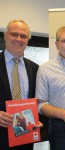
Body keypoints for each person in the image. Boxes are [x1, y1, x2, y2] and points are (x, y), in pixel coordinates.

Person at [0, 19, 42, 150]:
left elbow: (38, 100)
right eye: (14, 34)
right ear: (5, 35)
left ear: (28, 40)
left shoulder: (35, 69)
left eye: (23, 36)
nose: (18, 39)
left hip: (26, 136)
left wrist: (38, 118)